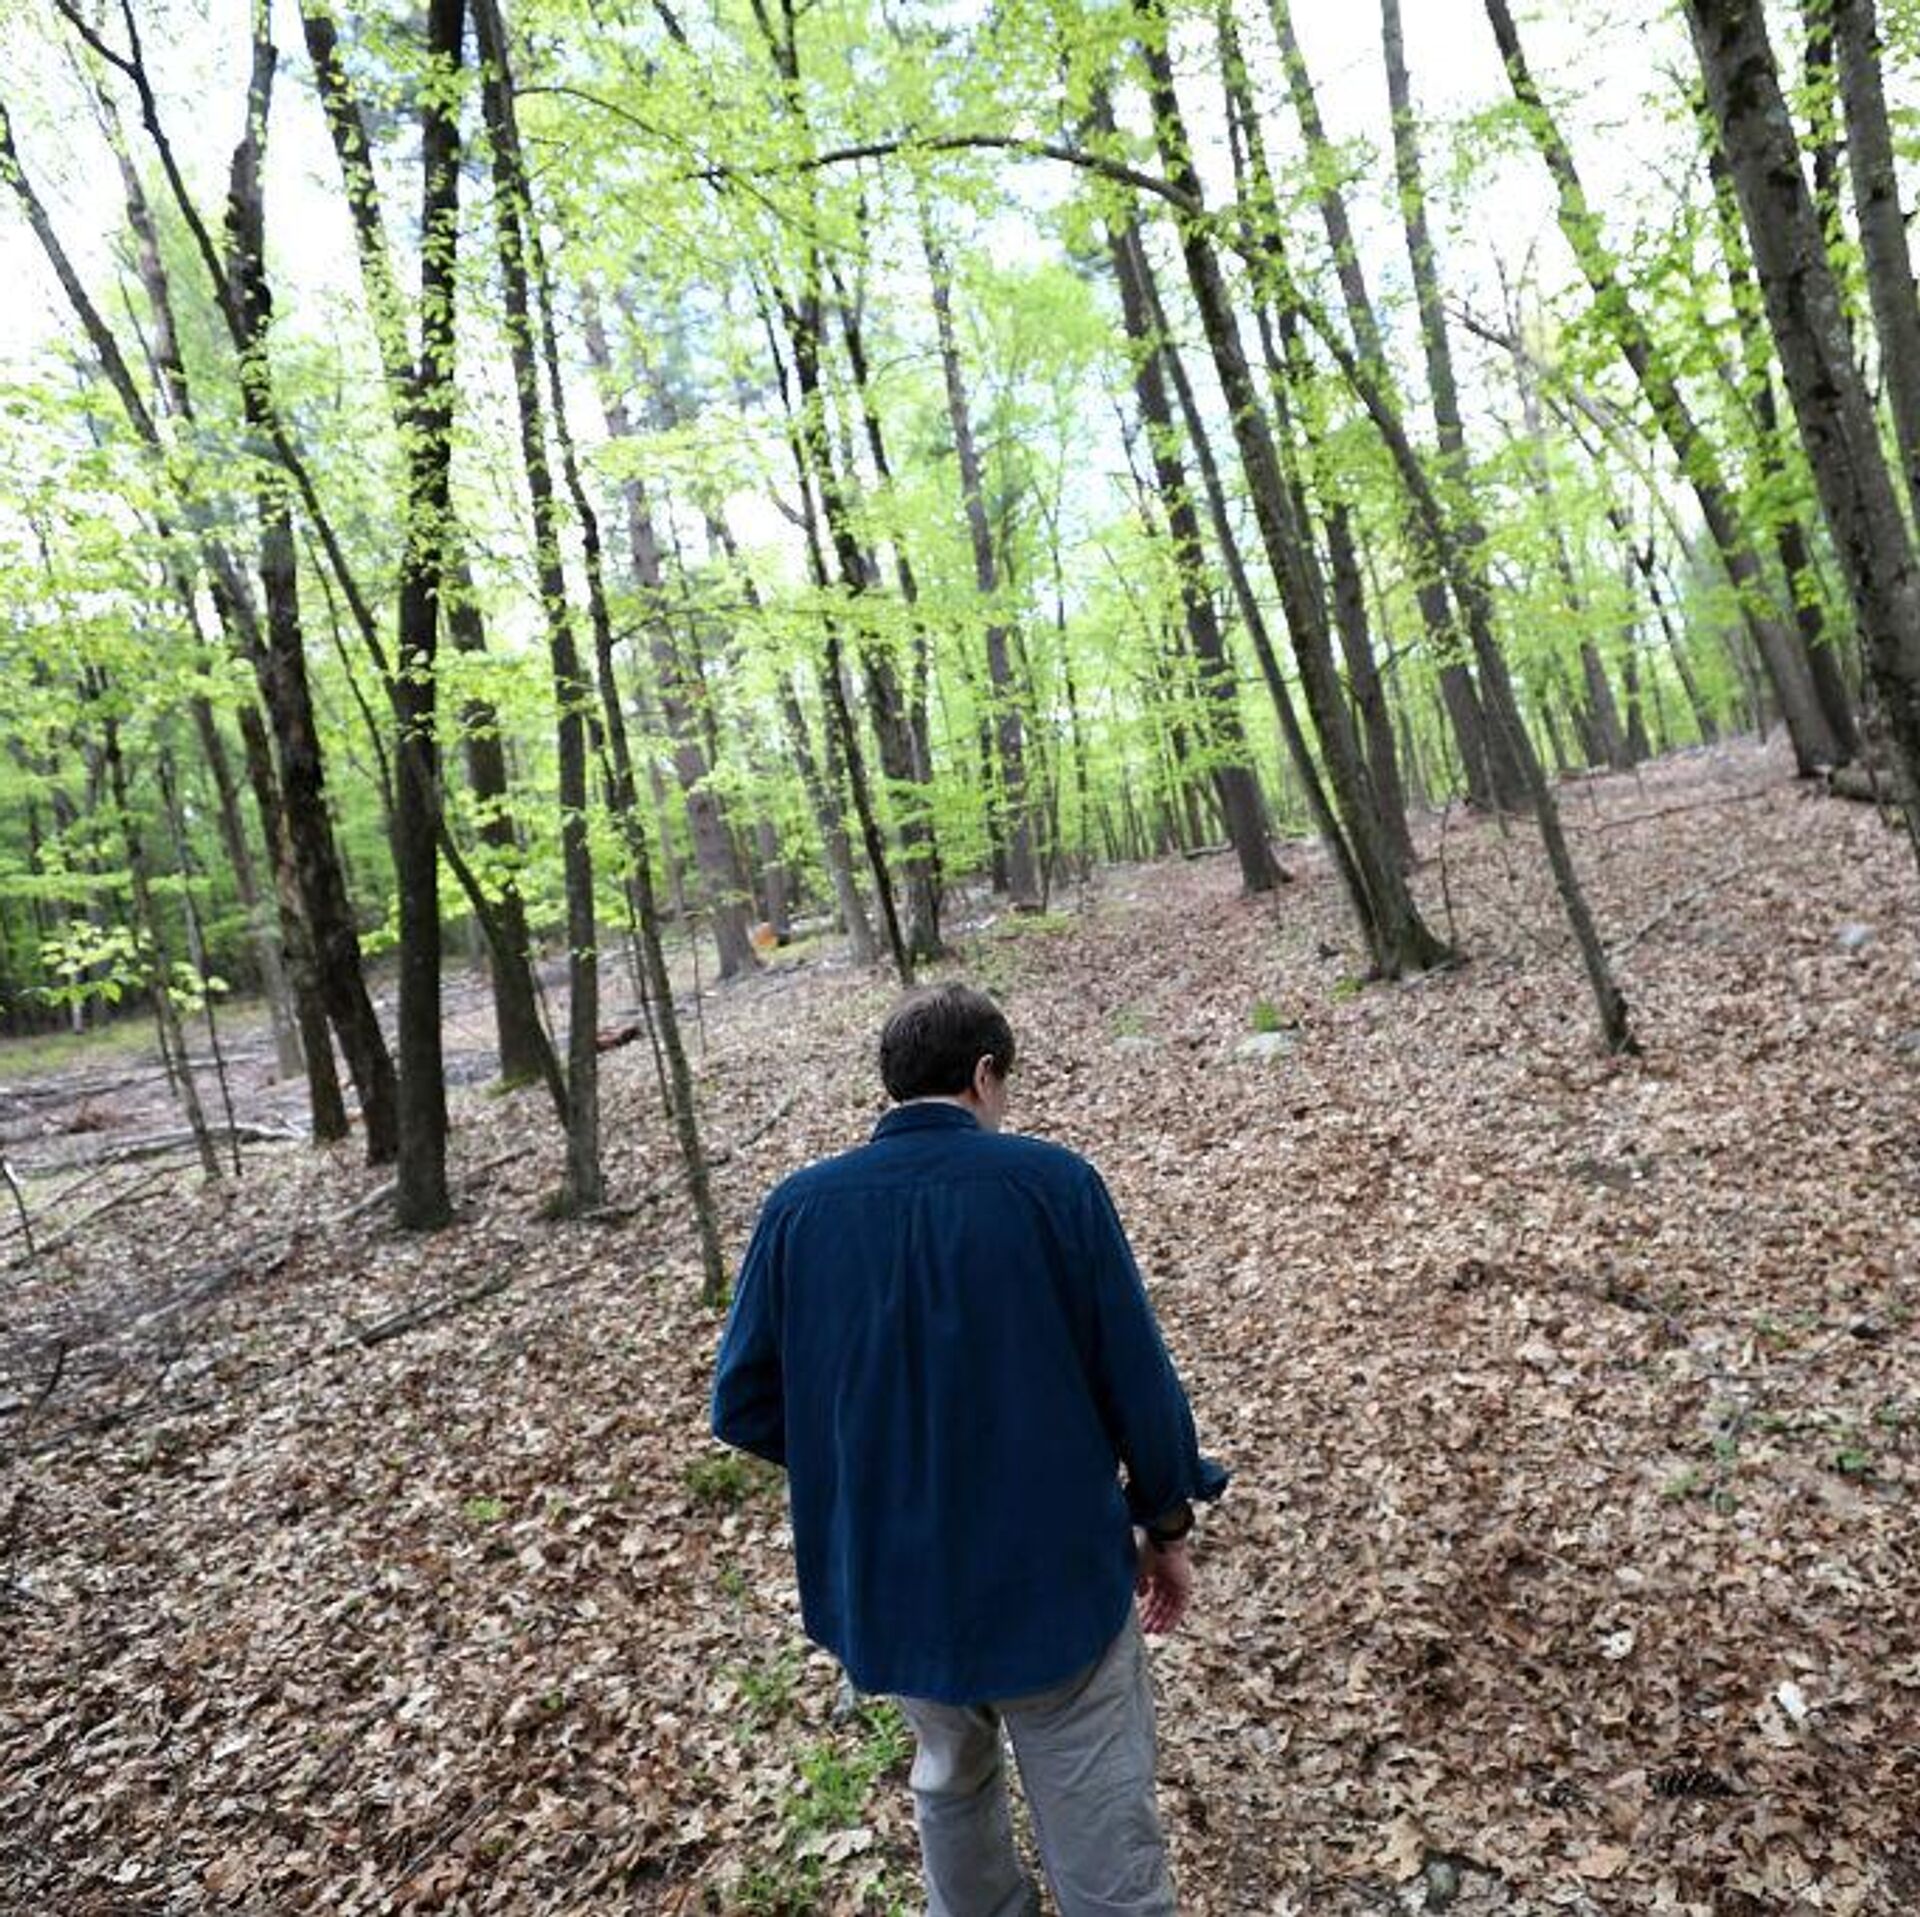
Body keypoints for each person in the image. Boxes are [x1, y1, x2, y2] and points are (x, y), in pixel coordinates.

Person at [712, 981, 1227, 1916]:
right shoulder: (1051, 1185)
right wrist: (1168, 1522)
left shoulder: (799, 1210)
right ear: (985, 1075)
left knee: (949, 1773)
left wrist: (869, 1461)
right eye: (1004, 1088)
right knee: (1095, 1804)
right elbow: (1137, 1377)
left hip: (892, 1583)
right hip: (1054, 1574)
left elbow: (746, 1400)